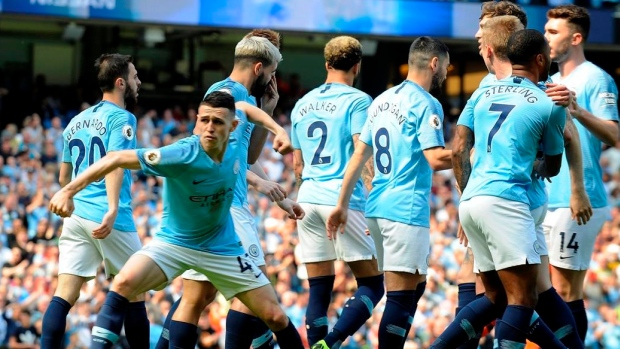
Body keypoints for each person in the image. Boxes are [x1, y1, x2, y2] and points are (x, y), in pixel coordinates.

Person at [48, 91, 304, 349]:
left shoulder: (236, 141)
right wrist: (68, 190)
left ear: (233, 126)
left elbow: (246, 109)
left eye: (217, 122)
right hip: (174, 244)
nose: (209, 128)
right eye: (204, 120)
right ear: (196, 121)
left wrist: (277, 131)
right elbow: (115, 158)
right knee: (124, 282)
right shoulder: (181, 153)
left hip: (223, 248)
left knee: (275, 316)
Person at [436, 16, 586, 349]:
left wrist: (466, 192)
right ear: (540, 59)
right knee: (524, 299)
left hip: (472, 200)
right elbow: (552, 165)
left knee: (495, 298)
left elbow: (459, 147)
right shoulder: (550, 102)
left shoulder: (480, 94)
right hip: (510, 202)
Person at [157, 33, 305, 349]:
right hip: (228, 206)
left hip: (206, 207)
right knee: (255, 295)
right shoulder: (236, 98)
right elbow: (219, 156)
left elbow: (246, 157)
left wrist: (269, 108)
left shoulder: (225, 93)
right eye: (271, 72)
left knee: (197, 296)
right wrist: (259, 183)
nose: (272, 79)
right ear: (258, 68)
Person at [326, 36, 452, 349]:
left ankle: (336, 340)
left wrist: (341, 204)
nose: (447, 74)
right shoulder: (426, 103)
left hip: (377, 209)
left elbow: (359, 156)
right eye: (447, 67)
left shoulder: (381, 100)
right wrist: (474, 153)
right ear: (434, 63)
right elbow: (436, 158)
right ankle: (336, 342)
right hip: (405, 210)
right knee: (399, 297)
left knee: (416, 284)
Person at [40, 53, 148, 349]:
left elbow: (65, 178)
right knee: (136, 292)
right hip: (108, 216)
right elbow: (115, 163)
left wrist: (73, 201)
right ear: (121, 82)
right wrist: (112, 207)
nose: (139, 81)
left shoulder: (75, 121)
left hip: (77, 217)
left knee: (64, 294)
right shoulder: (123, 118)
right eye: (135, 76)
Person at [290, 36, 383, 349]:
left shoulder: (302, 104)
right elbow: (362, 151)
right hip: (342, 200)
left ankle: (316, 342)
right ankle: (331, 342)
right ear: (357, 65)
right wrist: (373, 197)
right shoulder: (358, 101)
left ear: (326, 64)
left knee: (318, 289)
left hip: (307, 198)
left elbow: (298, 165)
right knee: (373, 282)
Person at [543, 4, 619, 341]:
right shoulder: (550, 81)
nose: (546, 38)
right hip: (547, 196)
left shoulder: (596, 78)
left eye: (553, 32)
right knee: (544, 288)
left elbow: (614, 135)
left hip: (579, 199)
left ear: (575, 38)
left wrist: (578, 110)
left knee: (564, 289)